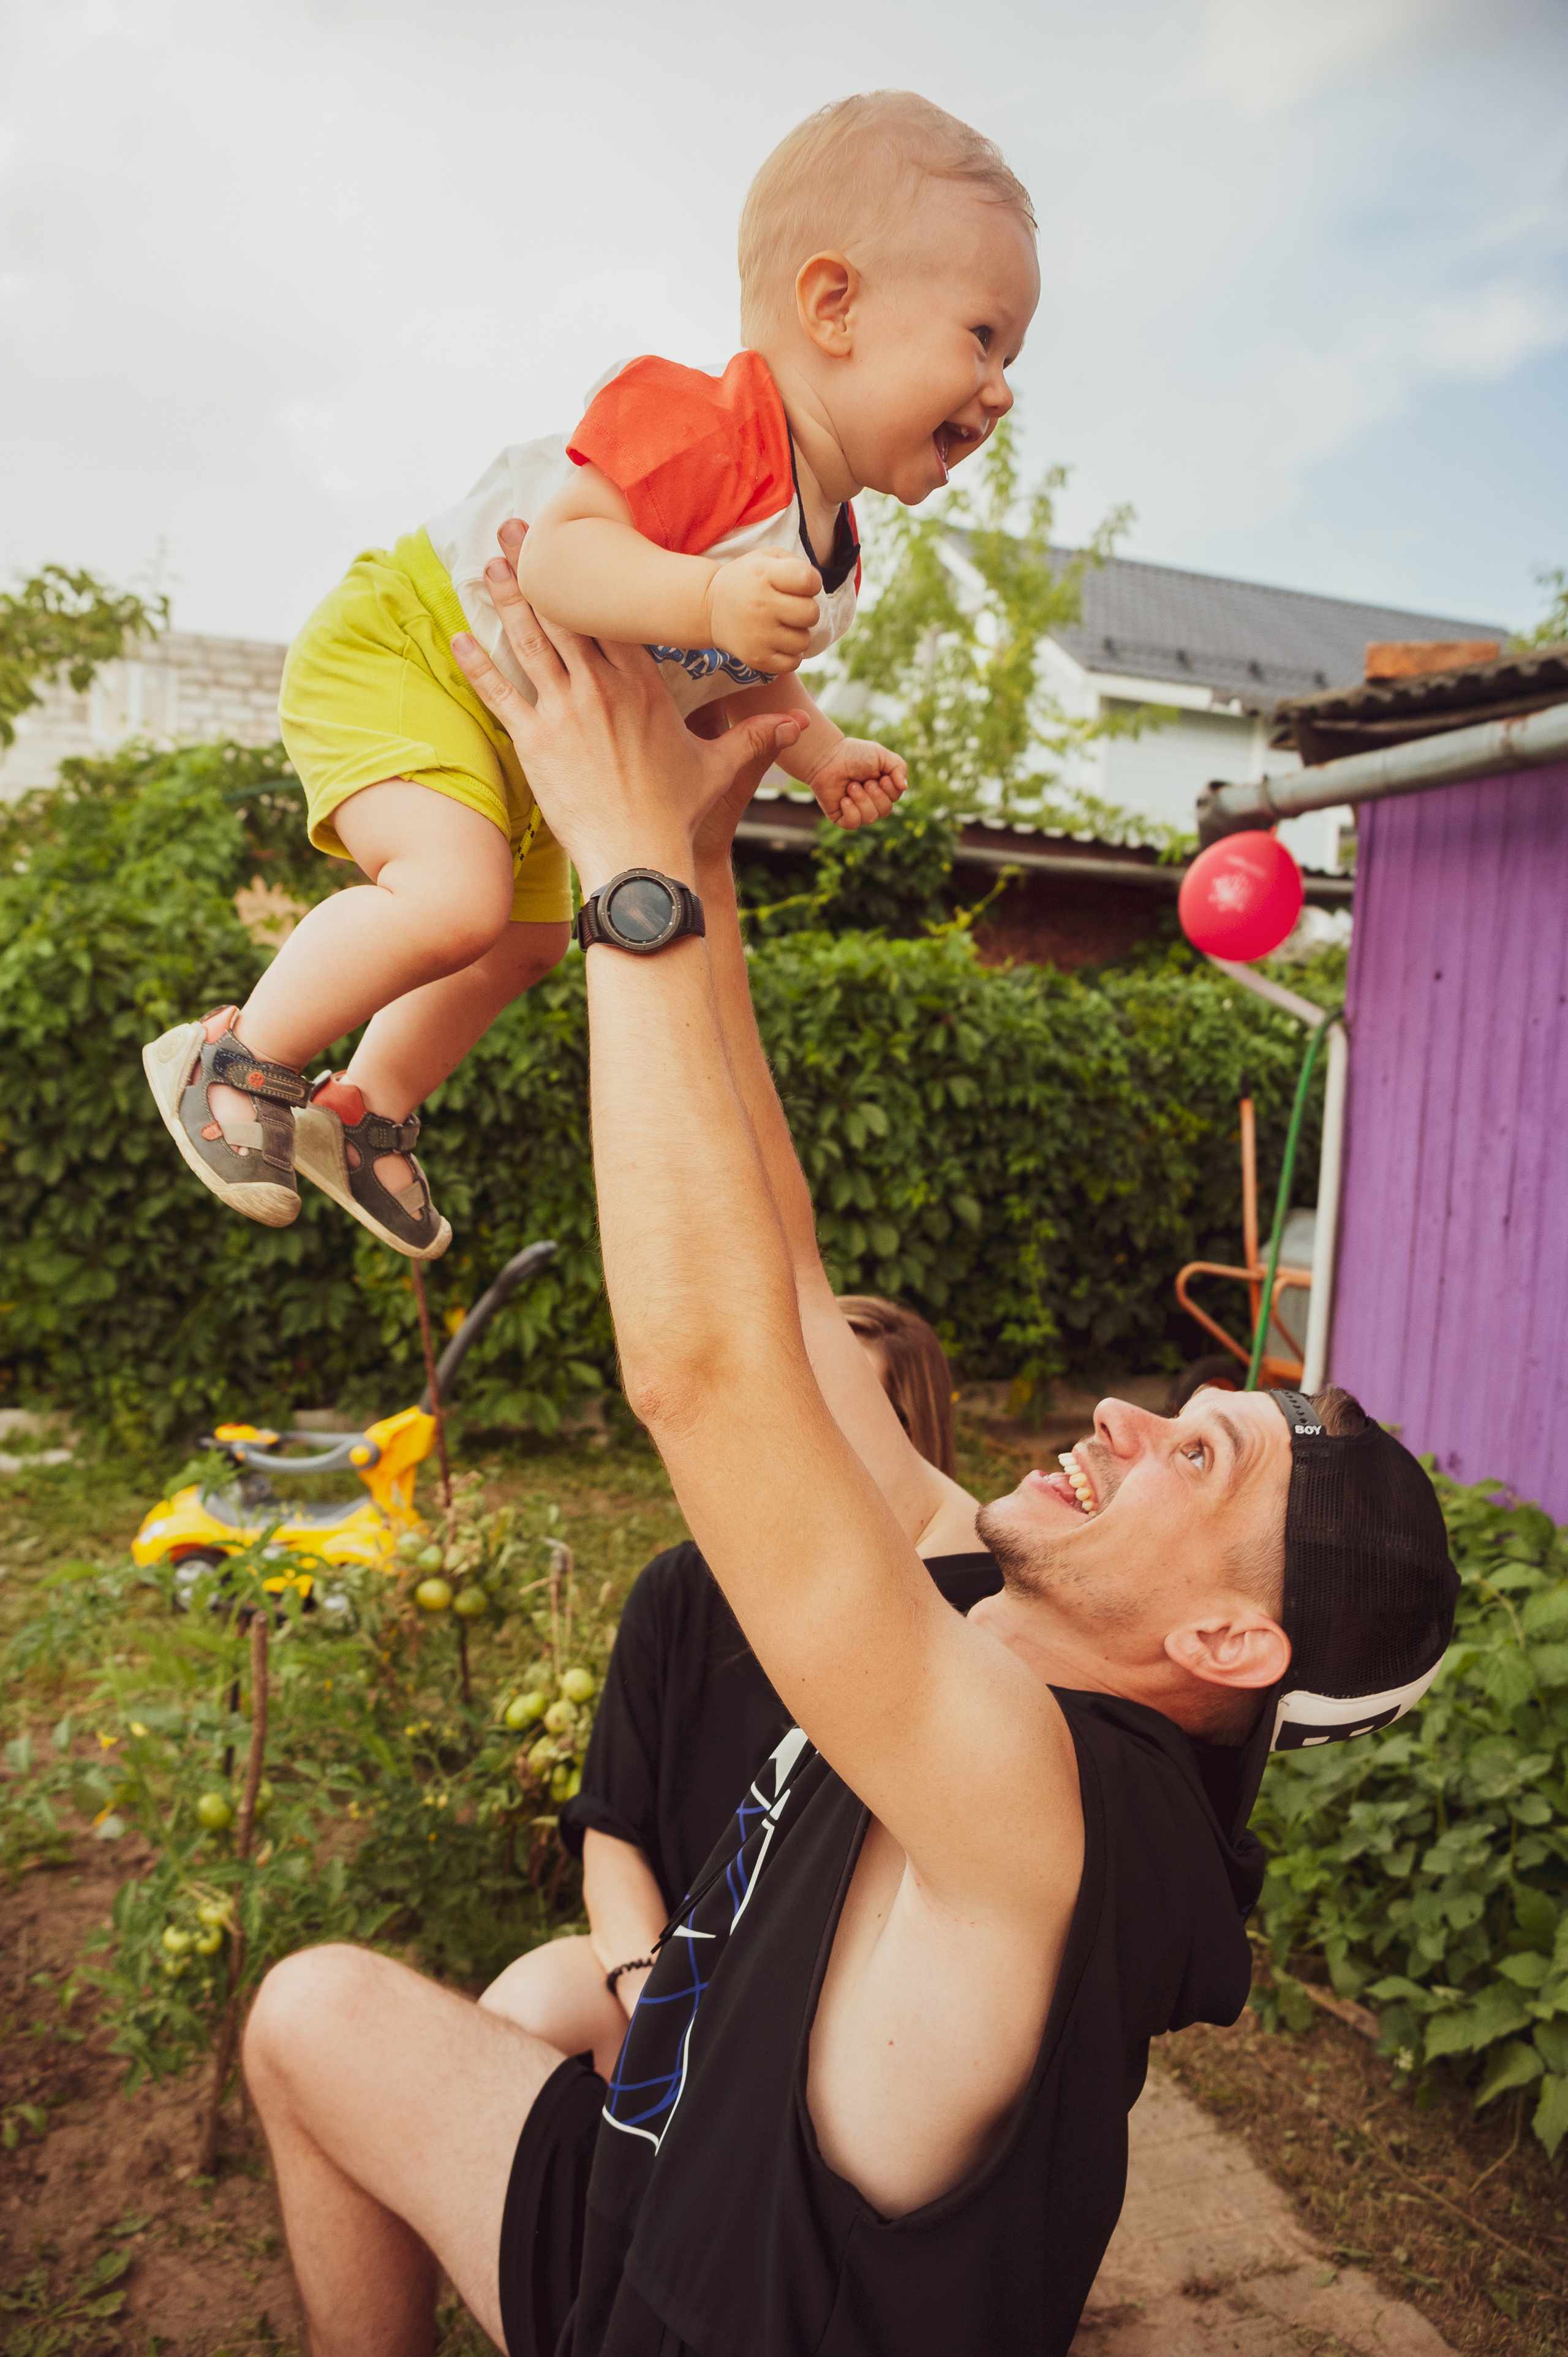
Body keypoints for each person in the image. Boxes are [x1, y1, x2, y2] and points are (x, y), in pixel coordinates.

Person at [242, 569, 1461, 2357]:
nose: (1127, 1419)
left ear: (1227, 1644)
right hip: (656, 2192)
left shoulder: (1053, 1805)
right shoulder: (999, 1596)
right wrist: (712, 865)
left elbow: (707, 1379)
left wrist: (618, 856)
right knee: (312, 2014)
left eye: (1194, 1456)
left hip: (703, 2320)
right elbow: (794, 1294)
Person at [139, 89, 1033, 1261]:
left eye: (1012, 356)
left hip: (538, 734)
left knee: (527, 943)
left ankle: (360, 1115)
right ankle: (233, 1054)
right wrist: (710, 596)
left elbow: (738, 678)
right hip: (421, 645)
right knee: (454, 897)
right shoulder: (703, 419)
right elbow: (561, 561)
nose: (1004, 388)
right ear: (834, 305)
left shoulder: (833, 553)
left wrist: (817, 749)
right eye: (982, 338)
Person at [481, 1299, 995, 2077]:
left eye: (854, 1404)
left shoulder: (949, 1630)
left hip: (840, 2013)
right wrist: (650, 1995)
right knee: (515, 2019)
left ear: (911, 1440)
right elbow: (611, 1826)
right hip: (664, 1967)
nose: (809, 1417)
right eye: (796, 1385)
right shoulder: (680, 1590)